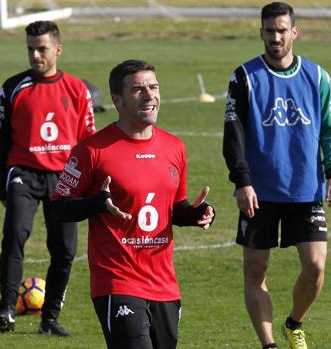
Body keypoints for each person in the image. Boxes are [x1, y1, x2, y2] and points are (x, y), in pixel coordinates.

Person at [49, 59, 215, 349]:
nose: (150, 95)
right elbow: (58, 207)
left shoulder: (175, 147)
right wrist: (97, 203)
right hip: (118, 280)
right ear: (117, 100)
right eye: (138, 89)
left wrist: (196, 214)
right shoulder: (91, 150)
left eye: (154, 87)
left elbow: (174, 208)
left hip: (164, 283)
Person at [222, 2, 331, 349]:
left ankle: (294, 323)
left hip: (306, 188)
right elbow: (234, 133)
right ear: (261, 32)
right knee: (256, 270)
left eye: (281, 30)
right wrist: (242, 181)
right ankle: (270, 344)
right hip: (259, 191)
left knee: (316, 267)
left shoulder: (317, 76)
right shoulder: (244, 77)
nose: (275, 37)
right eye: (269, 31)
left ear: (294, 32)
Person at [0, 20, 95, 336]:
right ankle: (6, 309)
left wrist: (87, 183)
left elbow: (88, 140)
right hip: (23, 172)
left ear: (57, 49)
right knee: (15, 234)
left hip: (64, 179)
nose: (35, 56)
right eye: (30, 49)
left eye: (42, 49)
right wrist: (0, 179)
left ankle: (49, 319)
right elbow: (0, 136)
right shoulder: (12, 87)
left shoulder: (77, 89)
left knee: (64, 249)